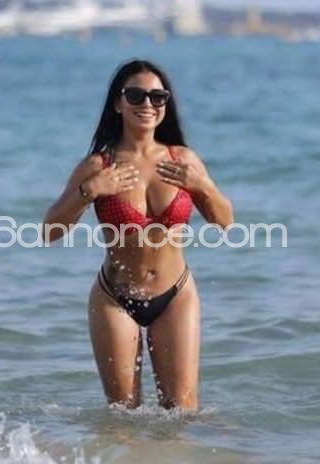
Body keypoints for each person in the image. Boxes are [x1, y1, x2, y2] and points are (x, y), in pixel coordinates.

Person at [42, 59, 233, 411]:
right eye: (136, 95)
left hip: (175, 294)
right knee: (122, 415)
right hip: (115, 298)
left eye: (157, 97)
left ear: (166, 105)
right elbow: (49, 231)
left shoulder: (183, 160)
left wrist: (202, 186)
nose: (148, 104)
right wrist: (89, 191)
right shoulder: (98, 166)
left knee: (182, 411)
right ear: (118, 103)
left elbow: (225, 221)